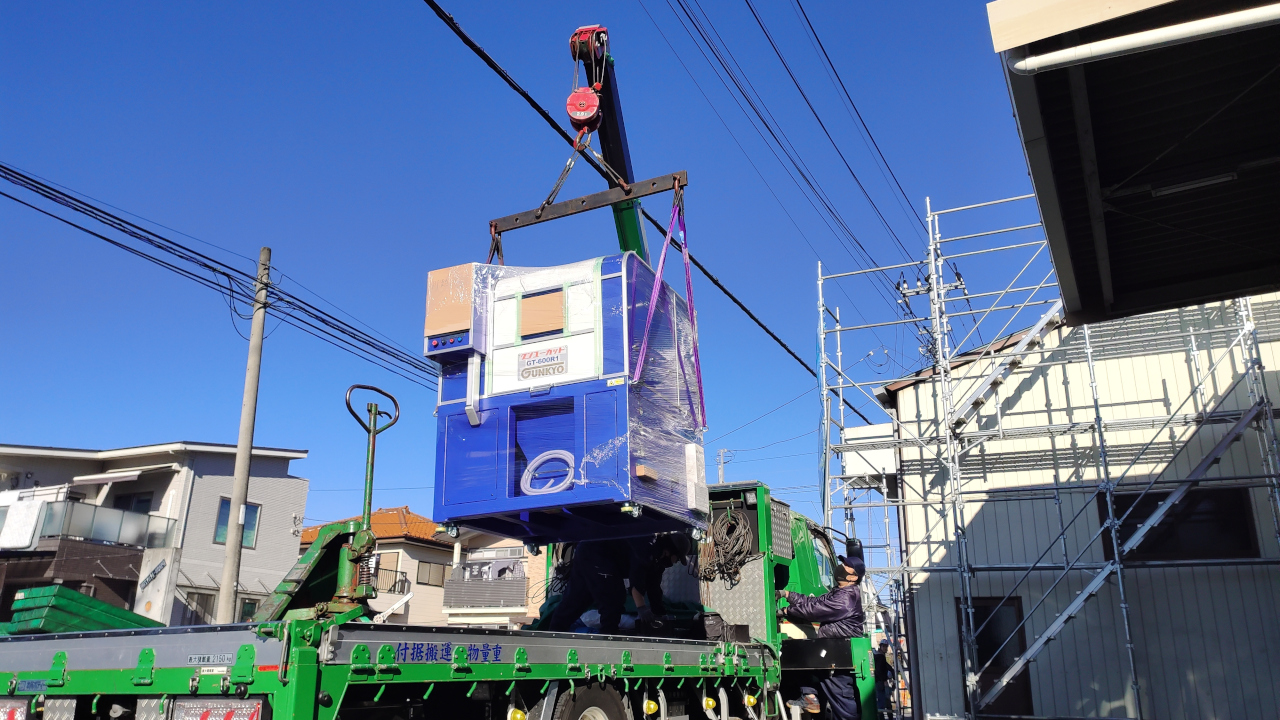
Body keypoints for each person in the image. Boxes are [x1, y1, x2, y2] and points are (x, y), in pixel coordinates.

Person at [778, 555, 866, 720]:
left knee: (843, 705)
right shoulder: (838, 593)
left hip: (838, 656)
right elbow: (813, 602)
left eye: (846, 566)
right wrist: (787, 594)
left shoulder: (847, 598)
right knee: (800, 658)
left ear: (853, 577)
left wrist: (786, 611)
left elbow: (815, 611)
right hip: (828, 653)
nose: (841, 566)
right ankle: (810, 697)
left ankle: (811, 697)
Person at [549, 533, 691, 634]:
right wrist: (641, 608)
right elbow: (636, 581)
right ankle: (608, 636)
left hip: (590, 552)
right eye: (677, 558)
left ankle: (555, 631)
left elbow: (654, 589)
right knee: (613, 597)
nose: (676, 562)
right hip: (596, 552)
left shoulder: (658, 562)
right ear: (669, 551)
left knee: (577, 598)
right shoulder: (648, 548)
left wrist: (661, 615)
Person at [874, 638, 896, 719]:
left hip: (878, 681)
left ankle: (884, 717)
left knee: (883, 701)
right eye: (884, 646)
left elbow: (887, 667)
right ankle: (884, 717)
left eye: (886, 646)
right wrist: (884, 680)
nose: (885, 648)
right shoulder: (880, 657)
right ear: (880, 647)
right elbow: (880, 670)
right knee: (884, 701)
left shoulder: (877, 656)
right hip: (881, 682)